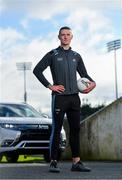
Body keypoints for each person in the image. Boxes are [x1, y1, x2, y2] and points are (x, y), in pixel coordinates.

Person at [33, 26, 96, 173]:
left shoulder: (77, 56)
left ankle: (76, 162)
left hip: (74, 98)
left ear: (72, 37)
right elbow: (37, 70)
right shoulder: (52, 54)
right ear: (59, 37)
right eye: (63, 35)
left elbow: (84, 74)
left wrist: (93, 84)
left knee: (75, 129)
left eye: (68, 35)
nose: (66, 37)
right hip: (59, 98)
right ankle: (53, 163)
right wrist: (50, 86)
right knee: (56, 129)